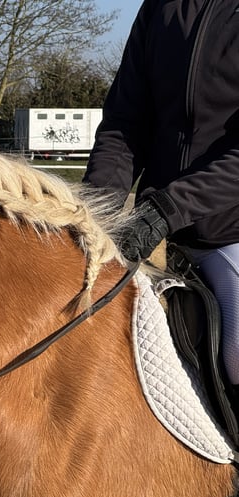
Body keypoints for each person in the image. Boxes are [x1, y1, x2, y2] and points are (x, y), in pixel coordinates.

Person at [83, 0, 239, 386]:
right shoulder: (160, 7)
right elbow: (124, 124)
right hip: (175, 234)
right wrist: (95, 215)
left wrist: (166, 209)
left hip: (230, 233)